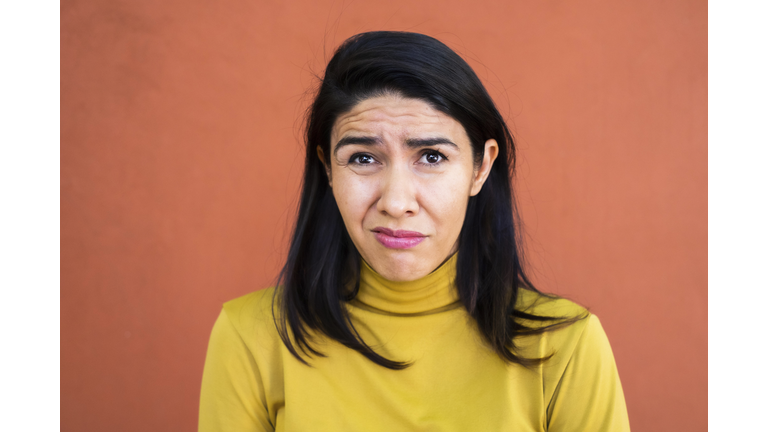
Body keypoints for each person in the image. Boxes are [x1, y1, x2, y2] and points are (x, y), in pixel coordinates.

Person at [199, 31, 630, 431]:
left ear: (481, 167)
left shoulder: (564, 346)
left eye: (431, 157)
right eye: (364, 159)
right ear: (328, 167)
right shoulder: (251, 336)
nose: (396, 201)